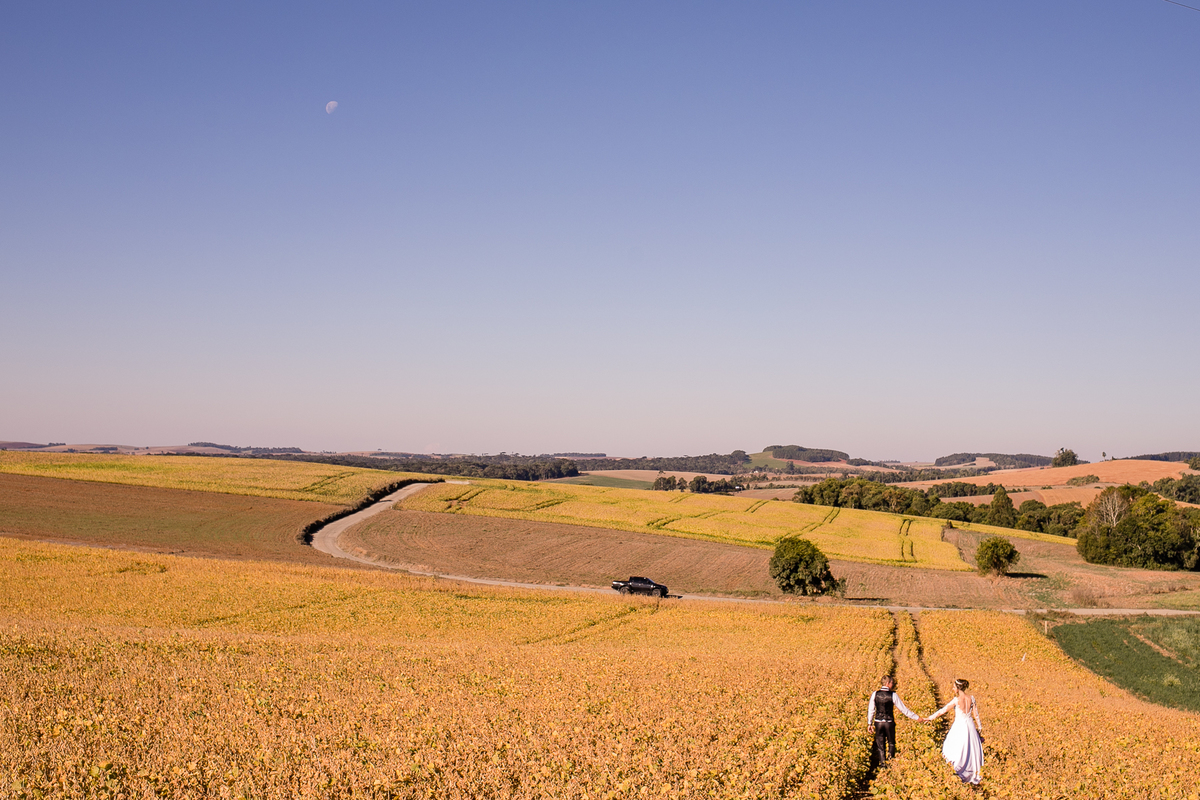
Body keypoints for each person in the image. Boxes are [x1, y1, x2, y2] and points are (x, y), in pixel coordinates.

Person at [924, 678, 984, 785]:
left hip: (960, 726)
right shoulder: (972, 698)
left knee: (955, 747)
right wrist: (979, 727)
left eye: (954, 687)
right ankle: (971, 772)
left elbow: (943, 711)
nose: (953, 689)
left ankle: (959, 770)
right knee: (970, 749)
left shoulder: (956, 700)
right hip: (970, 725)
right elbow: (976, 715)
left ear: (958, 688)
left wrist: (930, 718)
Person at [866, 675, 920, 765]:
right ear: (887, 683)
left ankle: (883, 764)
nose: (893, 684)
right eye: (892, 683)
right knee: (891, 743)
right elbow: (903, 709)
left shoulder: (875, 694)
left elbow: (871, 710)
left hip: (878, 722)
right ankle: (890, 762)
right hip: (889, 722)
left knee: (880, 745)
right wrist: (916, 717)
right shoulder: (893, 695)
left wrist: (869, 723)